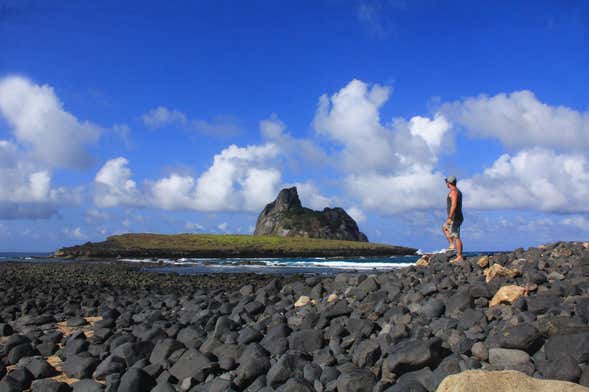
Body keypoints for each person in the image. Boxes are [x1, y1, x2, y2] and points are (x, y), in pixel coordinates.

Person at [442, 175, 464, 262]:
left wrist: (450, 217)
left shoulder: (454, 192)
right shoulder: (456, 191)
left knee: (456, 236)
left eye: (446, 182)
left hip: (455, 218)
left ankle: (459, 256)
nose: (446, 184)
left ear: (449, 183)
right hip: (457, 217)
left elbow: (454, 205)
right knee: (445, 228)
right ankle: (451, 245)